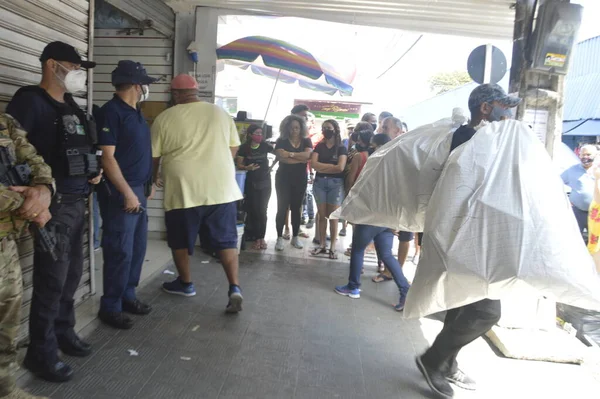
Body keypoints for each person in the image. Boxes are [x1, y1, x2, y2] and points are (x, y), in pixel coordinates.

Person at [416, 83, 520, 398]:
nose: (509, 111)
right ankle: (432, 360)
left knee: (461, 302)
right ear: (486, 108)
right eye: (503, 105)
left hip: (476, 235)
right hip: (465, 237)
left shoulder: (480, 137)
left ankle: (446, 362)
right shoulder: (470, 139)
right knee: (487, 311)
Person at [6, 41, 101, 382]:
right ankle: (40, 353)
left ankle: (64, 331)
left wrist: (94, 169)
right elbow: (11, 152)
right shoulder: (29, 101)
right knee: (51, 280)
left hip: (78, 201)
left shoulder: (73, 106)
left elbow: (81, 148)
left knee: (72, 274)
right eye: (73, 67)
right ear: (51, 65)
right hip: (53, 207)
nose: (78, 75)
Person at [151, 74, 244, 313]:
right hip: (221, 189)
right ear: (196, 91)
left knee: (180, 240)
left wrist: (153, 178)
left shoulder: (164, 118)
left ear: (175, 94)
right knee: (226, 241)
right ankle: (234, 287)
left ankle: (186, 283)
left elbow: (154, 156)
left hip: (183, 189)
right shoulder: (220, 113)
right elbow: (233, 147)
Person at [96, 61, 157, 330]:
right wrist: (128, 193)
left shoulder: (136, 112)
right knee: (119, 251)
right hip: (122, 194)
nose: (146, 89)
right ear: (136, 85)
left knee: (136, 249)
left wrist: (149, 183)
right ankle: (110, 306)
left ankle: (127, 295)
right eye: (145, 84)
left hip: (139, 191)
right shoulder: (111, 112)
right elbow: (107, 159)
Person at [0, 114, 54, 399]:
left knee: (6, 326)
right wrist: (30, 203)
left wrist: (43, 189)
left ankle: (5, 390)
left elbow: (33, 158)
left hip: (5, 245)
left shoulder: (3, 121)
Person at [335, 132, 411, 310]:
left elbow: (364, 188)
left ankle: (353, 287)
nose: (370, 148)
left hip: (370, 215)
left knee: (358, 250)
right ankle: (405, 290)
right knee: (386, 255)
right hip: (387, 218)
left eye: (373, 145)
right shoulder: (397, 166)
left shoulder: (376, 163)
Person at [373, 116, 414, 282]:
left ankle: (396, 272)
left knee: (404, 235)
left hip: (406, 199)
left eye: (385, 127)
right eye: (382, 127)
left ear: (397, 131)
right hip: (388, 199)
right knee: (386, 233)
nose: (381, 130)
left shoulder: (408, 146)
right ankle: (387, 268)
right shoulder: (383, 148)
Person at [274, 115, 313, 251]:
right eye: (291, 128)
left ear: (301, 128)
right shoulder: (281, 140)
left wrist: (289, 154)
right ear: (286, 128)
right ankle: (279, 237)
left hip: (300, 178)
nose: (294, 130)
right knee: (281, 208)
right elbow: (281, 158)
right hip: (283, 178)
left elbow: (307, 157)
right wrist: (299, 157)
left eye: (297, 128)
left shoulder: (306, 141)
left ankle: (295, 237)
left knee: (296, 208)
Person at [310, 120, 348, 259]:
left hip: (336, 184)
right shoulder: (319, 146)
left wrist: (322, 166)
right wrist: (331, 167)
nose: (326, 130)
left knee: (333, 217)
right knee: (321, 215)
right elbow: (313, 164)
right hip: (320, 182)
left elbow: (341, 167)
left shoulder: (341, 147)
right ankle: (322, 245)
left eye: (329, 128)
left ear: (335, 130)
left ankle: (332, 246)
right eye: (324, 128)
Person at [236, 124, 273, 250]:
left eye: (261, 133)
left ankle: (261, 238)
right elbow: (239, 164)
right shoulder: (244, 148)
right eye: (257, 133)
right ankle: (254, 236)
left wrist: (272, 167)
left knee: (262, 210)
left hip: (265, 182)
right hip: (251, 183)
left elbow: (279, 153)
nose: (259, 136)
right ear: (250, 135)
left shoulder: (265, 145)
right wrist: (248, 167)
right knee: (253, 210)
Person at [562, 144, 597, 237]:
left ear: (595, 155)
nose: (585, 157)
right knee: (575, 238)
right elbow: (557, 182)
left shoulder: (598, 170)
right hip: (577, 212)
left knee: (595, 241)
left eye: (588, 154)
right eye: (583, 154)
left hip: (596, 213)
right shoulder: (572, 170)